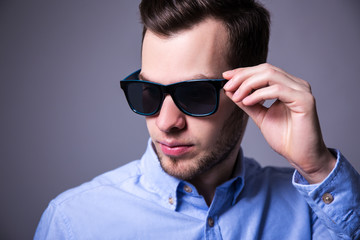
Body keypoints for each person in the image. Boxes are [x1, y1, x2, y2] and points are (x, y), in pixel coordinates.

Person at [34, 0, 360, 239]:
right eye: (148, 91)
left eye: (194, 94)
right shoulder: (73, 222)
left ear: (252, 90)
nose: (165, 121)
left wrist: (318, 168)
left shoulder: (314, 211)